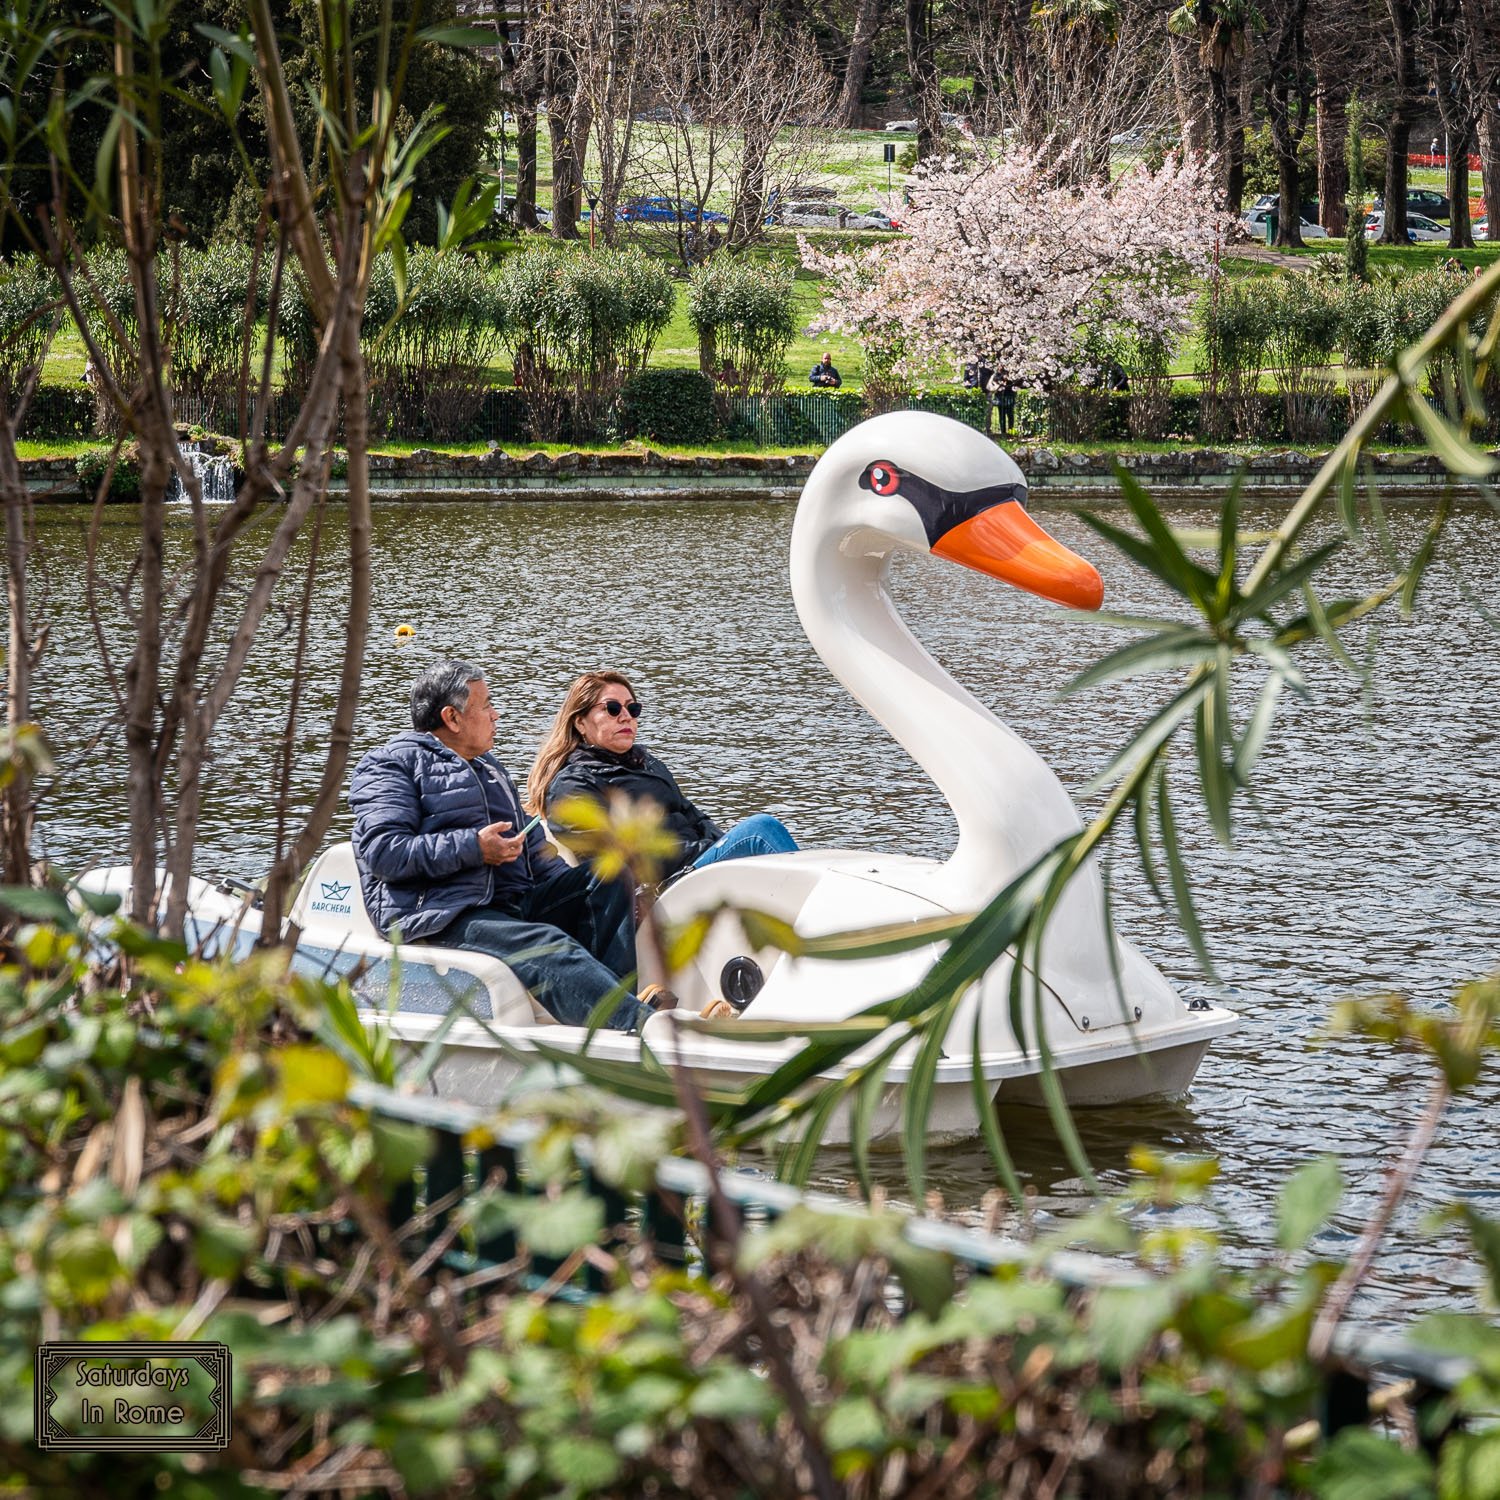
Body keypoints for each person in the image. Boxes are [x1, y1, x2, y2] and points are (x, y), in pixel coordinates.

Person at [350, 660, 659, 1032]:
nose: (496, 714)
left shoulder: (490, 769)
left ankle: (620, 1003)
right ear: (452, 717)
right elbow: (384, 853)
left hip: (508, 904)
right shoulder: (390, 765)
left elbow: (536, 854)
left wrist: (577, 888)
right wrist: (474, 848)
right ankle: (637, 1026)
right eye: (486, 705)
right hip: (443, 913)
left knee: (608, 877)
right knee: (543, 942)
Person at [527, 671, 798, 884]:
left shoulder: (646, 763)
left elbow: (692, 814)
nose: (625, 717)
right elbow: (610, 861)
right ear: (580, 722)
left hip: (696, 863)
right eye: (612, 709)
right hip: (663, 886)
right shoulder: (573, 785)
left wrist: (718, 845)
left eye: (632, 709)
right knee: (761, 830)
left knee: (759, 842)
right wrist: (705, 850)